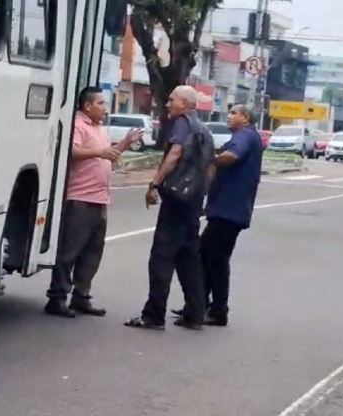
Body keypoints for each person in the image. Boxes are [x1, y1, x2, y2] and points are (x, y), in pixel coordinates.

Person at [45, 86, 143, 318]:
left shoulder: (99, 128)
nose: (105, 109)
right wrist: (100, 152)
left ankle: (81, 297)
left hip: (99, 199)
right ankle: (57, 297)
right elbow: (71, 151)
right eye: (101, 104)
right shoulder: (77, 124)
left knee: (92, 253)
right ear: (87, 106)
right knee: (69, 252)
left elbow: (109, 154)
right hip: (80, 199)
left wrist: (125, 143)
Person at [125, 86, 212, 331]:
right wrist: (201, 195)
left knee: (161, 258)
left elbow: (174, 154)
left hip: (176, 199)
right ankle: (195, 314)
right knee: (189, 259)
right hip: (192, 201)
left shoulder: (183, 124)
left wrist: (154, 183)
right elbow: (210, 167)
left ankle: (154, 315)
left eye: (172, 99)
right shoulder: (204, 130)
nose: (167, 103)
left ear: (184, 103)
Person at [173, 104, 262, 326]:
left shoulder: (245, 135)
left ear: (245, 118)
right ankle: (200, 305)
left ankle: (217, 310)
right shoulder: (245, 136)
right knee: (206, 256)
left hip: (229, 210)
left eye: (233, 113)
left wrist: (207, 158)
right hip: (225, 208)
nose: (228, 117)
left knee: (215, 259)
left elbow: (231, 156)